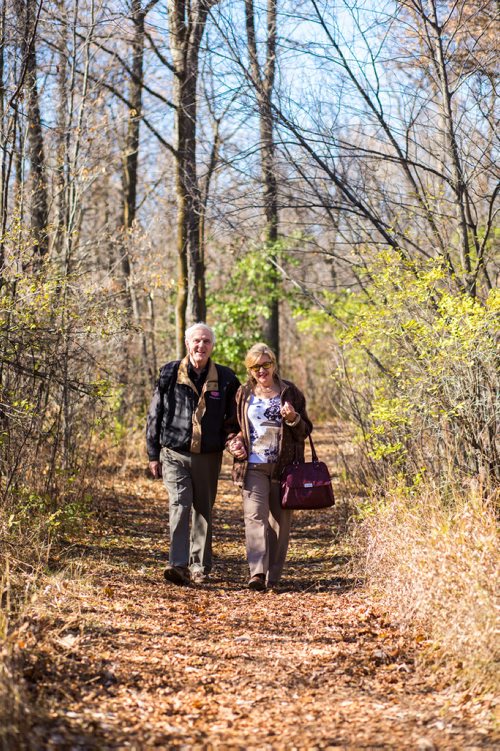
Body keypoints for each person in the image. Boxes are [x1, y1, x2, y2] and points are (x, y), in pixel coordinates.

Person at [146, 323, 240, 586]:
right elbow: (155, 414)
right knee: (180, 503)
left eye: (206, 341)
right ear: (187, 344)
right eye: (196, 341)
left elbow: (235, 419)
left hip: (208, 456)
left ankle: (199, 566)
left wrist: (234, 442)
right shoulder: (169, 373)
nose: (201, 346)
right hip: (174, 453)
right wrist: (153, 453)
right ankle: (177, 564)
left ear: (212, 346)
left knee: (203, 510)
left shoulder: (227, 378)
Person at [227, 343, 313, 591]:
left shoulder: (290, 392)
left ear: (274, 364)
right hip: (252, 466)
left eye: (266, 364)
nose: (261, 370)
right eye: (255, 366)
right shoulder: (243, 393)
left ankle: (273, 577)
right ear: (249, 369)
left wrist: (293, 419)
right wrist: (234, 442)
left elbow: (305, 431)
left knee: (279, 524)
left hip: (285, 468)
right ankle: (257, 573)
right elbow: (233, 428)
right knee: (254, 517)